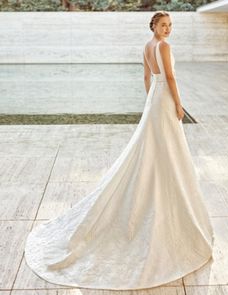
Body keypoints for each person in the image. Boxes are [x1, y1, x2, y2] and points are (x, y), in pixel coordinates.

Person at [24, 10, 215, 291]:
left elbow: (148, 77)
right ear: (153, 26)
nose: (168, 29)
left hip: (154, 101)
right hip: (164, 101)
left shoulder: (148, 46)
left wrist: (151, 100)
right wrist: (177, 105)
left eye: (170, 25)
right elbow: (171, 78)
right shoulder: (163, 46)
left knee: (153, 148)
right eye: (164, 25)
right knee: (166, 149)